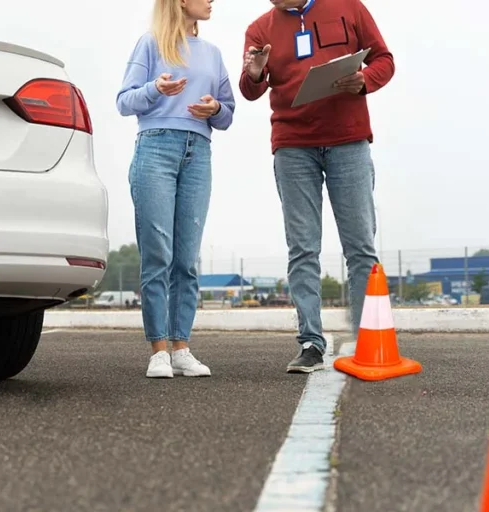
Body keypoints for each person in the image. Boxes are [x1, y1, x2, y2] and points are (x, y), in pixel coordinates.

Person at [239, 0, 394, 373]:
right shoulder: (259, 29)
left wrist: (363, 81)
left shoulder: (349, 7)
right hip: (293, 147)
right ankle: (310, 343)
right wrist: (256, 73)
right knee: (303, 249)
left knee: (360, 247)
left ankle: (365, 338)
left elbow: (384, 61)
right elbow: (248, 90)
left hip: (348, 141)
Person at [116, 0, 236, 379]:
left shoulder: (213, 54)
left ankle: (182, 346)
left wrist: (214, 108)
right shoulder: (150, 44)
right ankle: (158, 351)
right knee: (158, 254)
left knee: (186, 258)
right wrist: (156, 88)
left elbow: (228, 113)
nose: (212, 1)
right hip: (155, 147)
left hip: (198, 152)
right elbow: (124, 101)